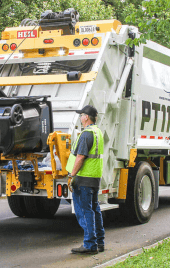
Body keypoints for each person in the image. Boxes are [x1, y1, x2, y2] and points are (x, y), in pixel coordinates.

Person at [66, 105, 105, 255]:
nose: (80, 118)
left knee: (84, 211)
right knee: (95, 210)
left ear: (86, 117)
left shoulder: (86, 134)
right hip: (94, 178)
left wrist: (71, 175)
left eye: (81, 115)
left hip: (83, 179)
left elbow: (81, 157)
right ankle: (99, 242)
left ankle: (89, 245)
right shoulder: (97, 132)